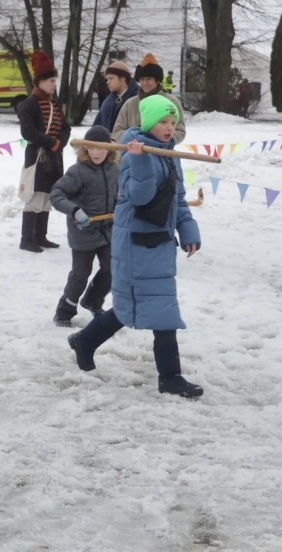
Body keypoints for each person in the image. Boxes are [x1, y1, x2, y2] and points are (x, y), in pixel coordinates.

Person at [68, 95, 203, 398]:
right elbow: (140, 198)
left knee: (137, 303)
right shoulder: (132, 155)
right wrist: (140, 160)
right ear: (149, 123)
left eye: (173, 122)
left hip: (159, 241)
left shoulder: (169, 154)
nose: (169, 128)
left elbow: (178, 198)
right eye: (163, 122)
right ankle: (170, 377)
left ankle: (85, 341)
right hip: (136, 242)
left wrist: (188, 230)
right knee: (160, 306)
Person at [50, 125, 119, 327]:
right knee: (80, 274)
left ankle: (93, 300)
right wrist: (74, 211)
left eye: (100, 148)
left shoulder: (115, 170)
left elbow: (119, 195)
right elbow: (57, 195)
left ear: (109, 148)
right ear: (84, 149)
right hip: (83, 231)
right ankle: (64, 311)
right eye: (91, 148)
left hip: (107, 230)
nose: (96, 153)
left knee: (113, 267)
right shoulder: (78, 172)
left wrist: (121, 208)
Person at [17, 49, 71, 253]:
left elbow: (66, 128)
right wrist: (50, 143)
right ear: (40, 82)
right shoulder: (28, 105)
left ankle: (40, 237)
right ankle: (26, 239)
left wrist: (60, 144)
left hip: (54, 157)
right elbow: (28, 132)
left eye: (55, 81)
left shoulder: (54, 105)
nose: (54, 84)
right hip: (37, 157)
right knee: (34, 197)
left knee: (48, 196)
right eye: (51, 81)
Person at [112, 53, 186, 144]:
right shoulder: (130, 104)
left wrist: (161, 142)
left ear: (157, 80)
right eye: (142, 79)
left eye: (149, 79)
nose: (144, 83)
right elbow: (117, 131)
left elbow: (180, 131)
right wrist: (133, 139)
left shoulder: (171, 102)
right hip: (133, 151)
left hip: (161, 152)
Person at [93, 60, 138, 132]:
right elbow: (97, 129)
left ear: (123, 78)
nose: (107, 82)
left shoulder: (137, 99)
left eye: (111, 78)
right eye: (107, 79)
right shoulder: (108, 102)